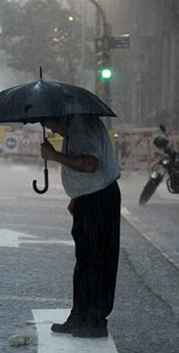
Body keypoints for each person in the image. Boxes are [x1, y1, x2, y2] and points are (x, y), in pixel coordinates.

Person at [39, 114, 121, 338]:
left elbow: (90, 164)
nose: (54, 132)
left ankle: (94, 320)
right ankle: (79, 316)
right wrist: (77, 196)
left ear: (61, 115)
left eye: (52, 125)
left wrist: (55, 155)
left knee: (97, 260)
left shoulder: (83, 126)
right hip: (88, 198)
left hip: (99, 200)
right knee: (85, 260)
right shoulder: (75, 128)